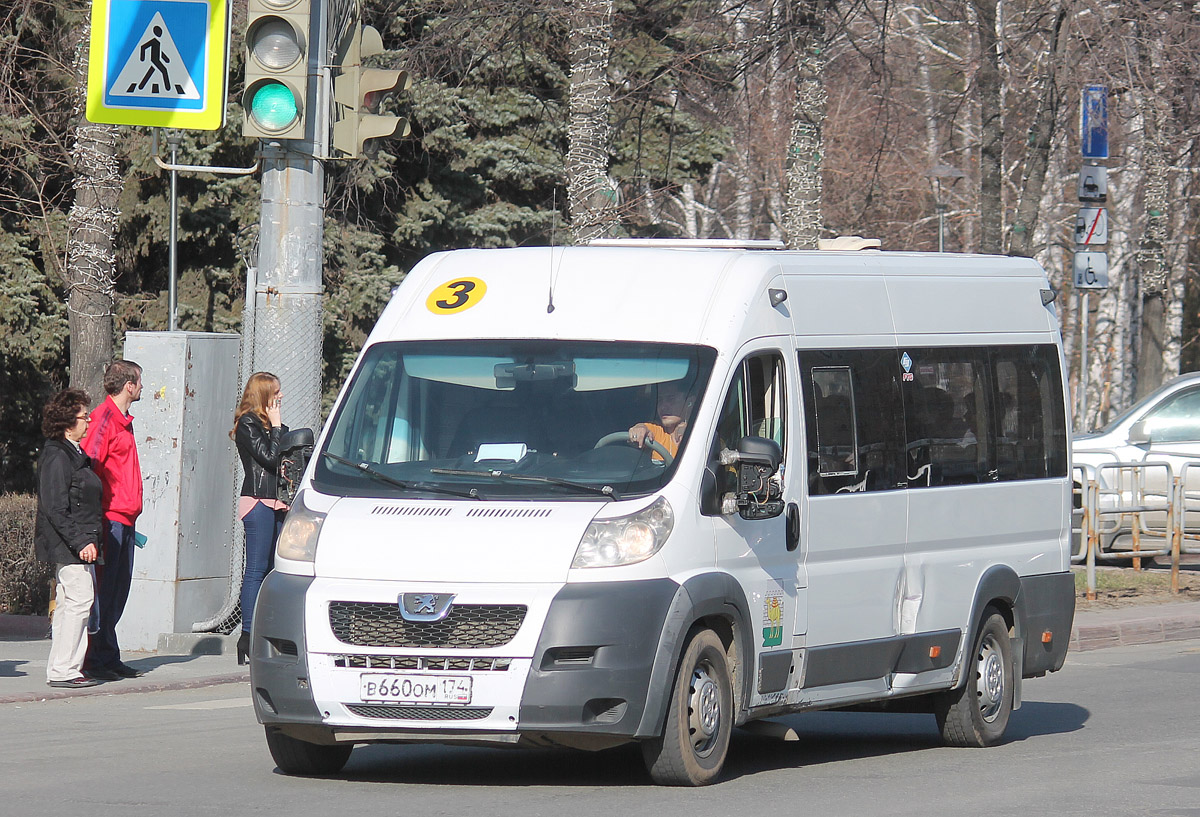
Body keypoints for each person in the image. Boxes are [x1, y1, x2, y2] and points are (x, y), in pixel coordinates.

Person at [35, 389, 105, 688]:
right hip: (70, 543)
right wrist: (80, 541)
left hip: (77, 540)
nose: (88, 422)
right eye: (83, 417)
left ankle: (63, 667)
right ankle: (65, 669)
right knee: (79, 601)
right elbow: (55, 506)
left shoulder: (73, 452)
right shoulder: (57, 455)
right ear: (67, 422)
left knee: (70, 603)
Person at [82, 359, 145, 681]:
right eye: (139, 382)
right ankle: (94, 657)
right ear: (129, 385)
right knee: (105, 591)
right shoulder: (105, 419)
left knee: (118, 591)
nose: (142, 388)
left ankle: (108, 653)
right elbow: (88, 465)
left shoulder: (123, 420)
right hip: (110, 517)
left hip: (125, 517)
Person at [232, 372, 289, 665]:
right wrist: (278, 428)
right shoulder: (248, 424)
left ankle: (269, 631)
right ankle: (249, 634)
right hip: (257, 501)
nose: (280, 396)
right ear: (264, 394)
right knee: (255, 569)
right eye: (276, 392)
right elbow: (268, 457)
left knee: (272, 570)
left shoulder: (272, 426)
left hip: (278, 502)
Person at [628, 382, 694, 460]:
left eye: (671, 399)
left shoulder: (702, 427)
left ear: (688, 401)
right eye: (660, 400)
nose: (663, 406)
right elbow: (644, 427)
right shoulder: (658, 431)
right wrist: (638, 430)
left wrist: (689, 431)